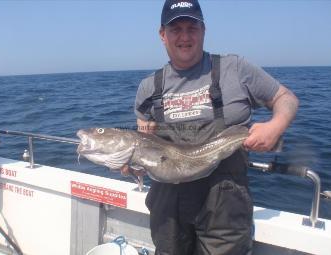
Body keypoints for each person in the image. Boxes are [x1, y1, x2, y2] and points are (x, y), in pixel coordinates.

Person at [123, 0, 299, 254]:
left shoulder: (235, 68)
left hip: (224, 206)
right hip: (168, 209)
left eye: (192, 28)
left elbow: (286, 98)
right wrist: (135, 166)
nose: (185, 36)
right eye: (176, 29)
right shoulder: (148, 88)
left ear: (203, 31)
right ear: (163, 34)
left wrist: (276, 125)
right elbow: (145, 145)